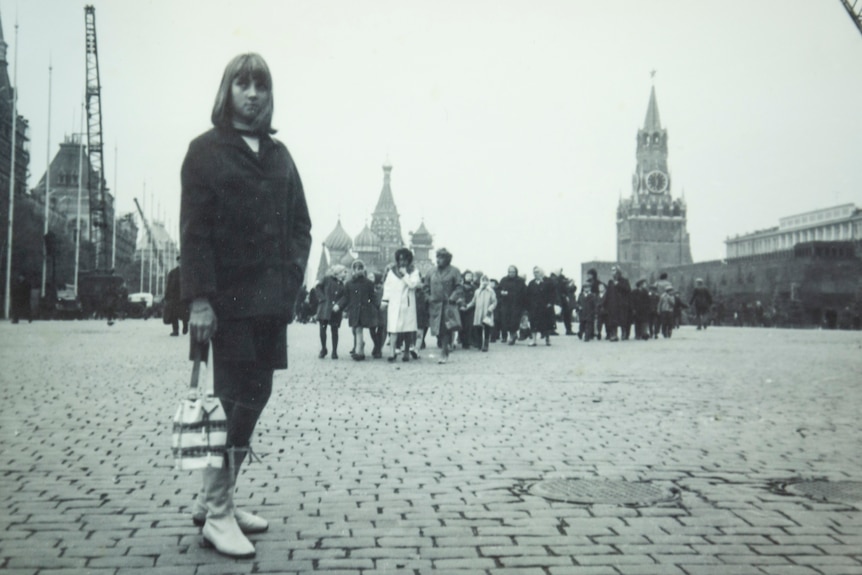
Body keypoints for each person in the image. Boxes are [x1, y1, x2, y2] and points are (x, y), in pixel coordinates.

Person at [181, 53, 312, 559]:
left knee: (255, 398)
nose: (253, 94)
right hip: (226, 302)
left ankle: (222, 499)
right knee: (232, 401)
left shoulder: (279, 155)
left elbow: (301, 223)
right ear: (227, 91)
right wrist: (198, 299)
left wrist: (291, 277)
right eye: (243, 85)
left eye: (261, 85)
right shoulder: (206, 152)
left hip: (269, 303)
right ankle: (216, 514)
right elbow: (194, 233)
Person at [381, 248, 421, 362]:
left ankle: (407, 351)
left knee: (407, 329)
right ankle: (392, 352)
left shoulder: (414, 271)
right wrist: (385, 301)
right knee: (393, 328)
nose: (402, 262)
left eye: (405, 259)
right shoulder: (392, 272)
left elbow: (413, 285)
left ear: (409, 260)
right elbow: (387, 287)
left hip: (407, 304)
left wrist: (405, 275)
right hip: (394, 303)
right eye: (400, 259)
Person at [424, 248, 464, 364]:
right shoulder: (431, 271)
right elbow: (425, 287)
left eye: (441, 258)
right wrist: (428, 297)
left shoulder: (454, 271)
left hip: (448, 304)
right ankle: (445, 348)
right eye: (437, 257)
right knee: (438, 330)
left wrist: (453, 297)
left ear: (447, 259)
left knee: (446, 328)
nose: (438, 260)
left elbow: (459, 287)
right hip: (434, 305)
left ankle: (444, 351)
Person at [334, 260, 377, 361]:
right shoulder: (349, 284)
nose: (359, 271)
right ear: (353, 270)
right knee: (356, 330)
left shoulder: (368, 283)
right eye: (357, 269)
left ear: (363, 269)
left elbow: (373, 297)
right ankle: (360, 347)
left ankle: (359, 353)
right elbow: (345, 297)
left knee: (358, 329)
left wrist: (379, 305)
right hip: (354, 310)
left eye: (361, 268)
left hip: (364, 311)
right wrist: (339, 305)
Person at [313, 264, 346, 359]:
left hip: (335, 311)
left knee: (334, 330)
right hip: (324, 309)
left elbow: (344, 297)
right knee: (322, 329)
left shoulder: (342, 284)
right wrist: (322, 299)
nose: (345, 274)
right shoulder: (327, 279)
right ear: (338, 272)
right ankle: (323, 349)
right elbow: (318, 287)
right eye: (344, 272)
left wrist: (338, 305)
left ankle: (334, 352)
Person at [464, 271, 497, 352]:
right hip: (478, 312)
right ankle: (479, 343)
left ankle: (486, 344)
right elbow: (473, 302)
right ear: (481, 281)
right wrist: (466, 307)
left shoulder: (491, 291)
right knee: (478, 327)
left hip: (487, 312)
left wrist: (490, 308)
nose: (485, 282)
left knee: (487, 328)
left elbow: (494, 302)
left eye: (486, 280)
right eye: (483, 280)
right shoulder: (477, 291)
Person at [526, 266, 556, 347]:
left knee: (546, 323)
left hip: (545, 307)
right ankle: (534, 340)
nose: (536, 274)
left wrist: (550, 303)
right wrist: (528, 306)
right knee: (533, 324)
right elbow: (527, 295)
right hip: (534, 307)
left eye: (537, 272)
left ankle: (547, 339)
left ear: (542, 272)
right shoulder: (531, 283)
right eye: (534, 272)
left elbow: (553, 294)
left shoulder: (548, 282)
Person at [497, 265, 526, 345]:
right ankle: (509, 336)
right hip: (505, 304)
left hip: (516, 304)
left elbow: (523, 293)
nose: (511, 273)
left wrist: (509, 294)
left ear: (516, 272)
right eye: (510, 272)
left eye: (513, 272)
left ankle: (512, 335)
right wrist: (501, 293)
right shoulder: (504, 280)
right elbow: (498, 290)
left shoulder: (520, 281)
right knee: (505, 320)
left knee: (514, 320)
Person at [604, 265, 632, 341]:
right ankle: (614, 335)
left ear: (618, 272)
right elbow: (608, 293)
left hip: (622, 304)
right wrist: (605, 303)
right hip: (613, 304)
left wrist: (618, 285)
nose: (613, 272)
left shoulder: (624, 281)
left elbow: (628, 290)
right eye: (612, 271)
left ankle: (624, 333)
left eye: (614, 270)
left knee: (623, 320)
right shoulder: (610, 282)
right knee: (613, 320)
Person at [165, 257, 190, 336]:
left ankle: (185, 326)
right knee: (173, 314)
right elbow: (168, 285)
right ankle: (175, 331)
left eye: (182, 261)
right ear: (177, 262)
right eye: (179, 261)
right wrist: (167, 296)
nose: (180, 263)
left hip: (184, 297)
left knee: (184, 314)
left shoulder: (188, 272)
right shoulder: (172, 273)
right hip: (174, 297)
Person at [457, 270, 476, 349]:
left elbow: (475, 298)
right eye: (467, 276)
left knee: (470, 325)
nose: (469, 277)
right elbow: (459, 296)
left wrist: (469, 305)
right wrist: (462, 305)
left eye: (471, 276)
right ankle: (462, 340)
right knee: (462, 325)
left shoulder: (474, 287)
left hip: (471, 308)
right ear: (464, 277)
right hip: (461, 308)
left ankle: (468, 342)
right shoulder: (460, 287)